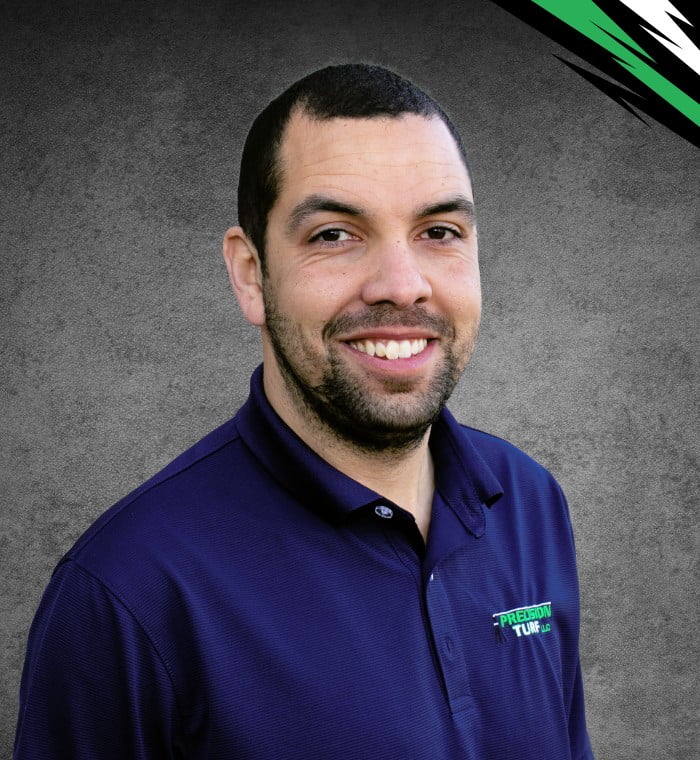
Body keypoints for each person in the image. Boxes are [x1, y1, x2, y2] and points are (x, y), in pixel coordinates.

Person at [14, 63, 594, 759]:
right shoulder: (127, 592)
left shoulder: (529, 503)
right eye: (334, 235)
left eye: (438, 231)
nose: (402, 285)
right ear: (251, 273)